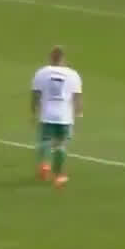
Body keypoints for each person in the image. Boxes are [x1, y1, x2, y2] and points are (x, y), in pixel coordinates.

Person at [30, 45, 84, 188]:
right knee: (60, 144)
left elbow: (36, 94)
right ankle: (58, 175)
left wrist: (33, 112)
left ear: (50, 58)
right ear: (63, 58)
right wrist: (79, 113)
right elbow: (77, 97)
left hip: (47, 114)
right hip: (64, 116)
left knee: (45, 140)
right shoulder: (73, 74)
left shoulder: (42, 72)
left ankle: (44, 165)